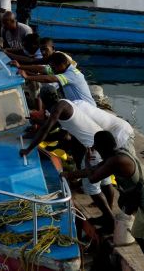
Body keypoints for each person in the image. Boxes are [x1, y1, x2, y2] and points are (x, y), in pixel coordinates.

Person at [63, 131, 144, 271]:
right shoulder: (115, 155)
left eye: (97, 146)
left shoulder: (117, 161)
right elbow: (95, 169)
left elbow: (93, 178)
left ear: (102, 147)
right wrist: (68, 174)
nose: (95, 149)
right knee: (139, 236)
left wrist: (87, 161)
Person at [21, 95, 115, 231]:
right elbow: (54, 127)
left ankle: (110, 221)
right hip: (102, 146)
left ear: (47, 102)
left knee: (92, 188)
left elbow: (46, 128)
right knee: (106, 182)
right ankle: (109, 215)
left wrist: (28, 149)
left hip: (93, 148)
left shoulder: (58, 108)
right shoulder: (66, 104)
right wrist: (36, 128)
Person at [17, 51, 95, 106]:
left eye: (53, 68)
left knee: (48, 89)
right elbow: (41, 68)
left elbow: (49, 79)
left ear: (61, 65)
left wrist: (27, 77)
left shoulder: (72, 74)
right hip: (76, 106)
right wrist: (20, 66)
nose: (52, 70)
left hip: (87, 108)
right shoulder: (61, 69)